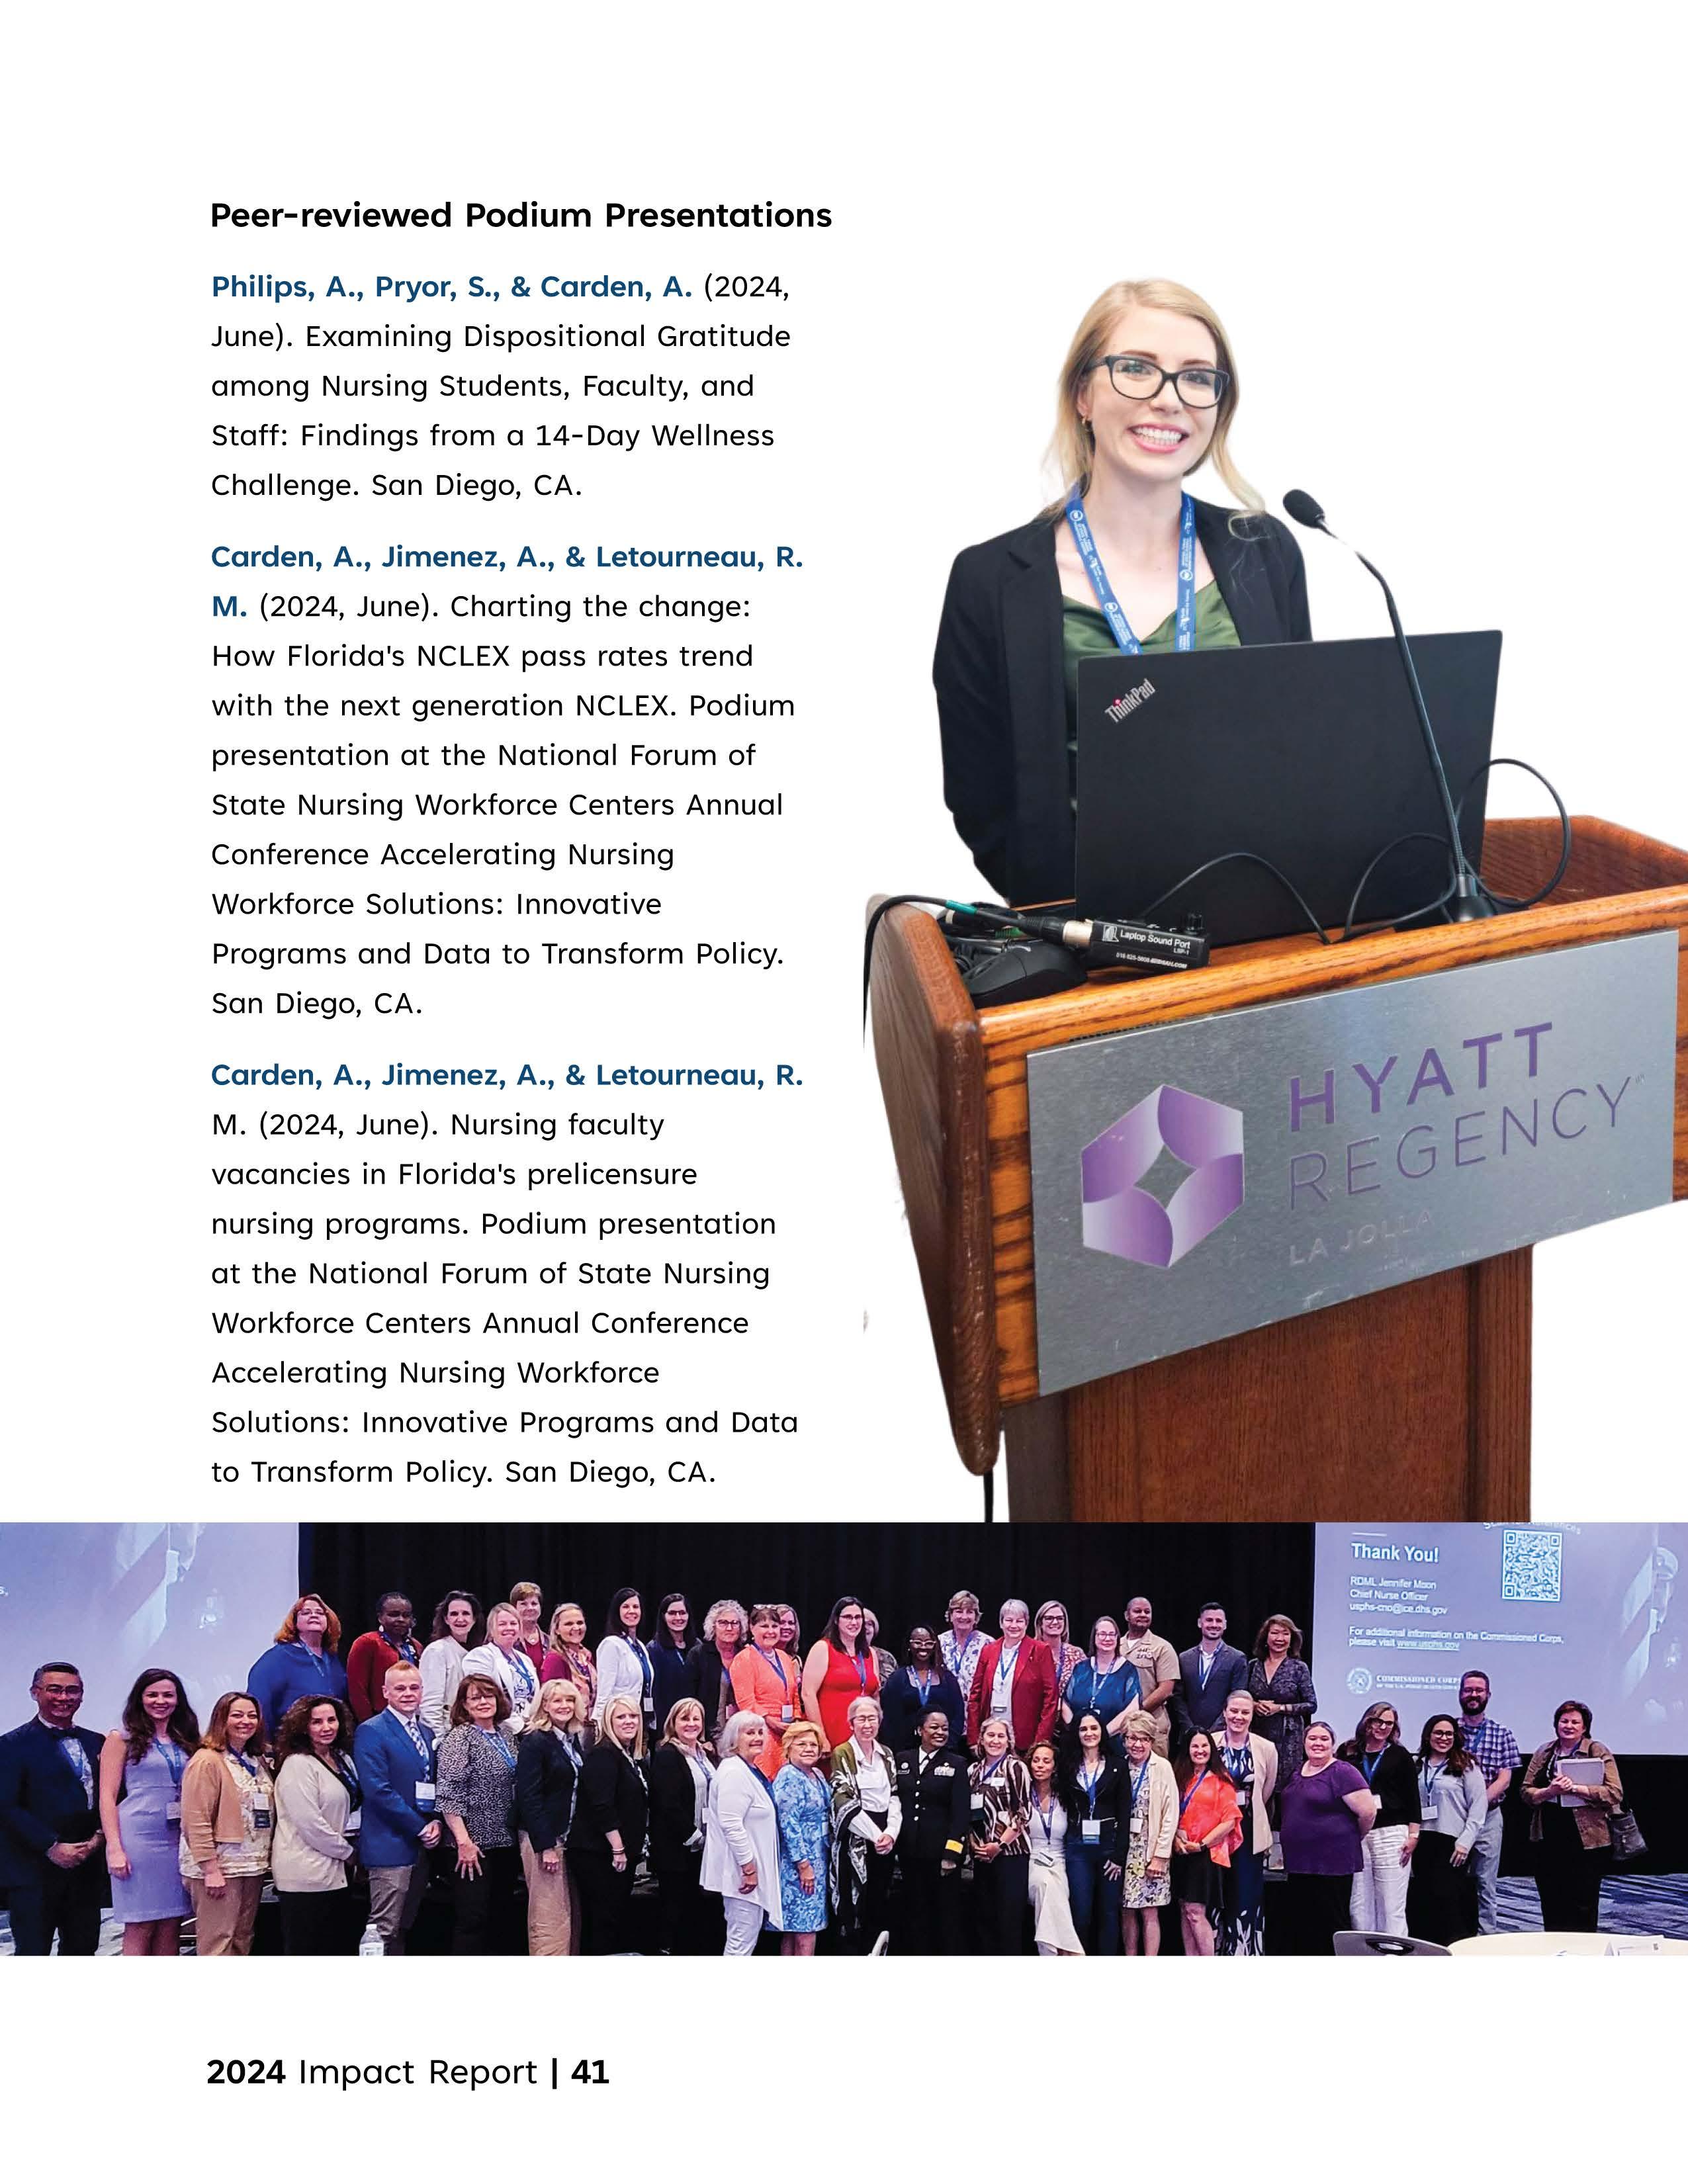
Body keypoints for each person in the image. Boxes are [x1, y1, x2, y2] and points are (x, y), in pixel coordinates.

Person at [932, 277, 1308, 906]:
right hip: (1085, 927)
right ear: (1082, 394)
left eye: (1196, 377)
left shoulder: (1264, 550)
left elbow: (1296, 745)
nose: (1168, 399)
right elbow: (981, 799)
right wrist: (1077, 919)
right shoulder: (989, 580)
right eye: (1136, 368)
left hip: (1257, 911)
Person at [0, 1661, 108, 1955]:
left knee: (82, 1951)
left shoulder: (96, 1742)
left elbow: (110, 1796)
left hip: (86, 1867)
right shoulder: (10, 1744)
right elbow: (6, 1806)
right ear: (35, 1693)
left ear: (82, 1695)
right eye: (55, 1690)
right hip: (34, 1871)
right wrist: (51, 1846)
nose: (64, 1697)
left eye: (72, 1691)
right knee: (33, 1954)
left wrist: (98, 1838)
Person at [99, 1667, 198, 1954]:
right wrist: (114, 1848)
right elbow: (107, 1797)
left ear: (178, 1699)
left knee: (172, 1923)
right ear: (139, 1698)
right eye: (152, 1695)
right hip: (138, 1840)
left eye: (168, 1695)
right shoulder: (121, 1738)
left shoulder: (186, 1738)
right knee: (141, 1924)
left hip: (176, 1840)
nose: (160, 1701)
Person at [351, 1658, 440, 1954]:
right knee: (383, 1930)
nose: (408, 1694)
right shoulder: (371, 1731)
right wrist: (419, 1827)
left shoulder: (426, 1733)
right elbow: (378, 1790)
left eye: (414, 1687)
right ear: (385, 1692)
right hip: (389, 1845)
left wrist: (435, 1821)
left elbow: (432, 1783)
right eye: (400, 1688)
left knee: (404, 1926)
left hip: (421, 1846)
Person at [179, 1692, 273, 1956]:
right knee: (218, 1942)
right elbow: (196, 1818)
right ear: (221, 1719)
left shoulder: (257, 1760)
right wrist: (210, 1869)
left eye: (252, 1716)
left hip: (252, 1864)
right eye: (237, 1715)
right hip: (220, 1867)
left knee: (243, 1937)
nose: (246, 1721)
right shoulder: (207, 1760)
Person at [436, 1671, 523, 1957]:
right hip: (472, 1845)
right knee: (473, 1920)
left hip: (505, 1840)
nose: (484, 1702)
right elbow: (449, 1794)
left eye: (489, 1696)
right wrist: (463, 1842)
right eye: (475, 1698)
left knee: (501, 1915)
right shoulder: (460, 1738)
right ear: (464, 1704)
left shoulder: (507, 1735)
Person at [1521, 1700, 1624, 1933]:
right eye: (1564, 1721)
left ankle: (1584, 1949)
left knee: (1583, 1901)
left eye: (1575, 1722)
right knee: (1551, 1897)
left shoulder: (1597, 1750)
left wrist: (1576, 1789)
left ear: (1584, 1727)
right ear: (1556, 1724)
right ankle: (1554, 1946)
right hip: (1548, 1833)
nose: (1569, 1726)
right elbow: (1526, 1791)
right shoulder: (1545, 1751)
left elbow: (1615, 1792)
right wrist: (1550, 1792)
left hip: (1587, 1838)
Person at [271, 1695, 361, 1955]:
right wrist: (349, 1853)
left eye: (332, 1720)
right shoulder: (297, 1764)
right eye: (317, 1722)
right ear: (302, 1726)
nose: (326, 1727)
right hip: (305, 1875)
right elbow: (310, 1824)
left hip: (337, 1873)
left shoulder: (342, 1758)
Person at [1278, 1721, 1374, 1955]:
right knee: (1304, 1923)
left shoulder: (1343, 1772)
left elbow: (1368, 1812)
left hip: (1333, 1864)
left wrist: (1351, 1837)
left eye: (1324, 1739)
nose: (1318, 1743)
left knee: (1330, 1922)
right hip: (1300, 1863)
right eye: (1312, 1738)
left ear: (1333, 1743)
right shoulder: (1297, 1772)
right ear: (1304, 1742)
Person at [570, 1695, 648, 1954]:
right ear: (608, 1722)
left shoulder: (626, 1754)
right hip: (599, 1854)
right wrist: (618, 1848)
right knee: (602, 1921)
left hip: (617, 1854)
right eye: (621, 1717)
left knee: (613, 1919)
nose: (629, 1721)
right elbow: (601, 1805)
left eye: (633, 1716)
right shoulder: (603, 1754)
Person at [514, 1678, 586, 1956]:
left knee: (568, 1914)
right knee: (548, 1917)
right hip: (544, 1840)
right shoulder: (535, 1741)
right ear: (544, 1705)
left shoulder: (571, 1739)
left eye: (569, 1700)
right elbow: (529, 1797)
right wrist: (545, 1846)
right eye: (557, 1700)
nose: (564, 1705)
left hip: (567, 1838)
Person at [703, 1712, 783, 1955]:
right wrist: (749, 1868)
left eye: (760, 1732)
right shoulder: (734, 1773)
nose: (757, 1738)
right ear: (733, 1739)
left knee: (745, 1939)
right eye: (749, 1733)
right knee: (740, 1943)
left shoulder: (749, 1769)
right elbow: (731, 1824)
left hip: (749, 1872)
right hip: (741, 1874)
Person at [893, 1706, 971, 1955]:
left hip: (940, 1855)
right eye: (934, 1727)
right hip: (909, 1852)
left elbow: (961, 1813)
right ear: (920, 1730)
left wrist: (952, 1854)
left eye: (945, 1729)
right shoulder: (901, 1760)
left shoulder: (957, 1763)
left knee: (945, 1915)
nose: (940, 1732)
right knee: (914, 1913)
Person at [1341, 1701, 1419, 1937]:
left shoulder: (1400, 1755)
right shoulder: (1349, 1752)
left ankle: (1394, 1952)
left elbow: (1413, 1798)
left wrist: (1414, 1835)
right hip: (1357, 1832)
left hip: (1392, 1832)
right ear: (1368, 1721)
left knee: (1391, 1902)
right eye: (1378, 1721)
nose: (1383, 1727)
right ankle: (1364, 1952)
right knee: (1360, 1903)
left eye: (1389, 1723)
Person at [828, 1694, 901, 1953]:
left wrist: (890, 1833)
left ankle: (876, 1952)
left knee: (879, 1900)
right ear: (851, 1724)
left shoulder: (887, 1754)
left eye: (872, 1719)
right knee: (854, 1902)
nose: (867, 1725)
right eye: (861, 1719)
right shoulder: (842, 1753)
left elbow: (894, 1796)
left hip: (885, 1837)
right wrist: (875, 1835)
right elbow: (843, 1800)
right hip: (857, 1836)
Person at [648, 1696, 719, 1955]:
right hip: (677, 1847)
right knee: (674, 1909)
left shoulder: (704, 1754)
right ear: (673, 1723)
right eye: (685, 1718)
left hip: (702, 1847)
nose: (691, 1724)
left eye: (696, 1719)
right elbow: (668, 1803)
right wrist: (695, 1836)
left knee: (694, 1912)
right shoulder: (668, 1754)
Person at [1407, 1714, 1485, 1946]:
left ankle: (1451, 1949)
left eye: (1449, 1734)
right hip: (1422, 1841)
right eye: (1439, 1733)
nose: (1444, 1738)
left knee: (1449, 1901)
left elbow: (1478, 1808)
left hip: (1453, 1844)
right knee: (1423, 1900)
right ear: (1428, 1736)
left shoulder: (1467, 1766)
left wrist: (1466, 1842)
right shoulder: (1417, 1764)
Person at [1456, 1669, 1521, 1935]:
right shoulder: (1448, 1732)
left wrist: (1478, 1805)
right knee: (1453, 1880)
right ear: (1460, 1694)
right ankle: (1455, 1935)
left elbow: (1505, 1779)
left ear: (1488, 1695)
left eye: (1479, 1690)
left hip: (1489, 1818)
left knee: (1485, 1882)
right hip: (1453, 1818)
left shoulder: (1502, 1733)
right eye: (1468, 1690)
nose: (1473, 1695)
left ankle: (1486, 1938)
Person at [1214, 1690, 1277, 1956]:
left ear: (1252, 1716)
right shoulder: (1211, 1742)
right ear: (1225, 1712)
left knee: (1246, 1894)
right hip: (1215, 1831)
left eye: (1245, 1712)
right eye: (1234, 1711)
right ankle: (1214, 1951)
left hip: (1249, 1830)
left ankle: (1243, 1953)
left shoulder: (1266, 1748)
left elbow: (1267, 1789)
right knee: (1217, 1894)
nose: (1238, 1717)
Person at [1060, 1708, 1126, 1956]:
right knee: (1081, 1911)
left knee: (1108, 1912)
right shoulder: (1067, 1765)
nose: (1089, 1733)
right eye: (1083, 1729)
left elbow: (1124, 1812)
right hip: (1078, 1847)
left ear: (1102, 1731)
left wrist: (1119, 1855)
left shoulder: (1118, 1765)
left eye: (1094, 1728)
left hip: (1109, 1848)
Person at [1170, 1728, 1241, 1957]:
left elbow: (1230, 1821)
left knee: (1195, 1912)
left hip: (1205, 1853)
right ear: (1187, 1749)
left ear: (1212, 1749)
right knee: (1185, 1910)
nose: (1200, 1751)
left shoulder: (1222, 1780)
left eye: (1204, 1746)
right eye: (1195, 1746)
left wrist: (1201, 1844)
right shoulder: (1178, 1776)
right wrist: (1176, 1839)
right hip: (1180, 1851)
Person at [967, 1715, 1032, 1954]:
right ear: (982, 1739)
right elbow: (968, 1812)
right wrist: (975, 1844)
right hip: (982, 1854)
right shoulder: (973, 1770)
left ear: (1009, 1741)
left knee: (1009, 1919)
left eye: (1001, 1736)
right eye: (991, 1735)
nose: (995, 1741)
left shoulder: (1015, 1768)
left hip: (1011, 1853)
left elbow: (1023, 1813)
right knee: (985, 1917)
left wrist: (1000, 1845)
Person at [247, 1593, 348, 1737]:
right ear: (294, 1622)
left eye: (320, 1613)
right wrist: (266, 1743)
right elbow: (260, 1704)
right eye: (306, 1613)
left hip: (329, 1739)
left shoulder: (332, 1658)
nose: (314, 1615)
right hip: (290, 1742)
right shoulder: (277, 1658)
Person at [1118, 1710, 1177, 1957]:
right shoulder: (1119, 1765)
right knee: (1127, 1909)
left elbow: (1171, 1814)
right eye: (1133, 1738)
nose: (1137, 1744)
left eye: (1144, 1739)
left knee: (1149, 1910)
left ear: (1152, 1741)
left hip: (1151, 1850)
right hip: (1124, 1851)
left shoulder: (1162, 1767)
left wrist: (1161, 1856)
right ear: (1124, 1739)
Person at [772, 1719, 832, 1955]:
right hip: (798, 1864)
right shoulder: (789, 1776)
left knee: (796, 1928)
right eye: (802, 1744)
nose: (809, 1749)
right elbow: (788, 1824)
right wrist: (803, 1865)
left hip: (818, 1859)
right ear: (789, 1748)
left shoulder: (816, 1774)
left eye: (813, 1745)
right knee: (806, 1929)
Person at [966, 1598, 1057, 1754]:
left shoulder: (1040, 1651)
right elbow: (975, 1696)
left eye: (1019, 1621)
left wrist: (1040, 1742)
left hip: (1026, 1740)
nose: (1014, 1625)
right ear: (1001, 1623)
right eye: (1009, 1620)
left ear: (1026, 1623)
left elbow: (1051, 1699)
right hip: (991, 1737)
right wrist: (974, 1739)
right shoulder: (988, 1651)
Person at [1247, 1614, 1317, 1796]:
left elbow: (1311, 1705)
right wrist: (1254, 1705)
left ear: (1292, 1639)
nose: (1280, 1638)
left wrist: (1281, 1708)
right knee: (1257, 1787)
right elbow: (1242, 1697)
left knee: (1285, 1792)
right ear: (1266, 1637)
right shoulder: (1253, 1665)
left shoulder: (1299, 1668)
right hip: (1258, 1734)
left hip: (1288, 1740)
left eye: (1285, 1634)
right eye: (1275, 1633)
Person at [730, 1603, 803, 1777]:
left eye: (775, 1626)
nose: (770, 1631)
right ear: (752, 1628)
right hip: (760, 1732)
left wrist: (796, 1721)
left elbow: (794, 1694)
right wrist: (772, 1722)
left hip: (787, 1733)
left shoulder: (784, 1657)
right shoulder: (744, 1659)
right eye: (764, 1626)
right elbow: (746, 1702)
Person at [801, 1594, 880, 1751]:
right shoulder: (823, 1648)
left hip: (864, 1734)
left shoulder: (870, 1653)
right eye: (848, 1617)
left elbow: (876, 1695)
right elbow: (808, 1694)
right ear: (837, 1620)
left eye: (858, 1617)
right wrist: (821, 1736)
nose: (854, 1622)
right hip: (832, 1733)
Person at [1025, 1740, 1082, 1955]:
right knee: (1044, 1884)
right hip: (1032, 1859)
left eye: (1046, 1761)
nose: (1040, 1765)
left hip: (1060, 1861)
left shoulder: (1066, 1796)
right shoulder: (1022, 1793)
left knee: (1053, 1890)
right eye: (1036, 1760)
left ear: (1054, 1766)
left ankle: (1052, 1952)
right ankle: (1070, 1952)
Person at [878, 1625, 966, 1753]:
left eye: (929, 1643)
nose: (923, 1647)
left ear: (935, 1646)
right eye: (918, 1642)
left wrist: (947, 1745)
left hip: (944, 1750)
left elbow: (958, 1715)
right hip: (906, 1751)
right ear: (909, 1645)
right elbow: (890, 1719)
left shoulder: (947, 1678)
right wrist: (903, 1751)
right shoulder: (897, 1679)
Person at [1173, 1603, 1249, 1747]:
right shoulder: (1184, 1658)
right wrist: (1190, 1729)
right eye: (1209, 1620)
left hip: (1223, 1735)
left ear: (1225, 1625)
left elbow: (1236, 1698)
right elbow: (1178, 1698)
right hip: (1188, 1736)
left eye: (1218, 1621)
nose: (1214, 1625)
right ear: (1200, 1623)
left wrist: (1213, 1732)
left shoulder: (1237, 1658)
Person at [1059, 1616, 1141, 1747]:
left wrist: (1101, 1735)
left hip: (1113, 1744)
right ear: (1094, 1637)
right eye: (1102, 1634)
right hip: (1079, 1743)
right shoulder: (1081, 1668)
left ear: (1117, 1638)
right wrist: (1078, 1732)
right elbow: (1065, 1703)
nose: (1107, 1639)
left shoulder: (1128, 1671)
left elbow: (1132, 1709)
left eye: (1112, 1634)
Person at [344, 1592, 422, 1724]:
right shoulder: (367, 1642)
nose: (401, 1619)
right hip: (378, 1719)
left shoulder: (416, 1646)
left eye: (406, 1615)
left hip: (412, 1717)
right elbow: (357, 1690)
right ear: (380, 1617)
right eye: (394, 1615)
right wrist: (369, 1723)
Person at [461, 1601, 541, 1723]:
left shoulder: (525, 1659)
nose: (509, 1628)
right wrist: (518, 1726)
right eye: (502, 1624)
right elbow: (484, 1699)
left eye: (513, 1623)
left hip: (530, 1725)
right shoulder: (479, 1656)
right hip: (500, 1725)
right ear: (491, 1629)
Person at [595, 1588, 656, 1739]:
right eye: (626, 1607)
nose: (632, 1611)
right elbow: (604, 1691)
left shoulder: (640, 1646)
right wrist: (601, 1729)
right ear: (617, 1611)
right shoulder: (611, 1644)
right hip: (619, 1724)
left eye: (636, 1607)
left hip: (641, 1722)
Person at [1122, 1598, 1180, 1755]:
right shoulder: (1115, 1646)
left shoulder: (1162, 1647)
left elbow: (1166, 1689)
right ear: (1127, 1616)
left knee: (1155, 1769)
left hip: (1152, 1725)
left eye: (1147, 1612)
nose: (1143, 1615)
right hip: (1119, 1727)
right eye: (1137, 1611)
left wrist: (1135, 1713)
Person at [420, 1591, 483, 1735]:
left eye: (466, 1614)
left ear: (474, 1619)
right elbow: (430, 1705)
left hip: (473, 1729)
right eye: (454, 1614)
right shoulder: (437, 1651)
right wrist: (439, 1739)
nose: (460, 1619)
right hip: (447, 1731)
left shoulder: (478, 1652)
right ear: (446, 1619)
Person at [686, 1597, 746, 1743]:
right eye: (723, 1623)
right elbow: (689, 1698)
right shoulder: (699, 1655)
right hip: (709, 1734)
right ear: (713, 1626)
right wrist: (701, 1738)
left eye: (734, 1623)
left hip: (741, 1732)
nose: (729, 1628)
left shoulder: (745, 1655)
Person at [540, 1601, 598, 1725]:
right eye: (569, 1624)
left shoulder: (586, 1656)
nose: (576, 1628)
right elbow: (552, 1702)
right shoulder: (554, 1660)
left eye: (580, 1623)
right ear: (557, 1630)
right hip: (567, 1728)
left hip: (589, 1727)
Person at [650, 1593, 695, 1724]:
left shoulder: (697, 1646)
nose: (678, 1618)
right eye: (672, 1613)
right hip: (666, 1721)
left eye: (682, 1613)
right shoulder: (654, 1649)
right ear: (663, 1616)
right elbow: (655, 1692)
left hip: (694, 1719)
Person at [940, 1590, 986, 1711]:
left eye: (970, 1612)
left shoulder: (988, 1644)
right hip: (944, 1709)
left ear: (976, 1617)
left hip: (976, 1710)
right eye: (959, 1611)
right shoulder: (939, 1642)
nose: (964, 1617)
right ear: (950, 1615)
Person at [1035, 1601, 1085, 1700]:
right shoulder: (1030, 1652)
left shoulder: (1076, 1654)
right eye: (1049, 1618)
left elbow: (1086, 1687)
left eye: (1060, 1618)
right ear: (1040, 1623)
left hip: (1069, 1709)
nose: (1055, 1622)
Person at [509, 1581, 547, 1679]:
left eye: (534, 1604)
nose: (530, 1608)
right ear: (514, 1608)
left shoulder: (550, 1642)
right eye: (524, 1604)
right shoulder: (508, 1641)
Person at [861, 1608, 900, 1696]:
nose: (866, 1628)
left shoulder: (886, 1657)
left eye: (870, 1624)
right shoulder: (846, 1655)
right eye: (862, 1624)